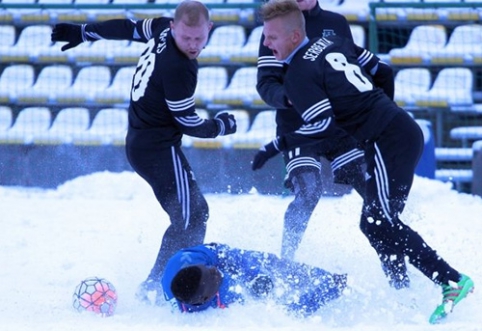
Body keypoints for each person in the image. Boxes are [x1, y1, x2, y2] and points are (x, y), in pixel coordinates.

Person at [251, 0, 474, 324]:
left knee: (378, 221)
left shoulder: (298, 73)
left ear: (294, 34)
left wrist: (274, 146)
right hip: (396, 132)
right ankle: (403, 290)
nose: (266, 44)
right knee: (377, 224)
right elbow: (382, 71)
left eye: (271, 37)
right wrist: (380, 109)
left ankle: (451, 281)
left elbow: (321, 125)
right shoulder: (333, 41)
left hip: (388, 141)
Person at [51, 0, 237, 305]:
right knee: (191, 219)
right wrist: (220, 126)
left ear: (210, 30)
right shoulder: (180, 68)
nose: (192, 45)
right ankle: (169, 291)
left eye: (199, 39)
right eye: (186, 38)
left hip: (144, 143)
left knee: (191, 215)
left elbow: (127, 27)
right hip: (157, 149)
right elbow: (187, 121)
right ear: (175, 27)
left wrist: (86, 33)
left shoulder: (163, 27)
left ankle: (159, 286)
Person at [256, 0, 401, 284]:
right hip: (298, 127)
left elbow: (356, 71)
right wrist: (289, 97)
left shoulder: (336, 23)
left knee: (372, 194)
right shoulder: (276, 27)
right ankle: (286, 265)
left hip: (339, 128)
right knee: (308, 191)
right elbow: (265, 83)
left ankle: (397, 271)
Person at [161, 242, 347, 315]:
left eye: (210, 269)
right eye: (212, 275)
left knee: (271, 263)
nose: (215, 271)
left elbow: (231, 255)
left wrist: (256, 275)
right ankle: (329, 289)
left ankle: (327, 278)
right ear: (206, 298)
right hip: (219, 295)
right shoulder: (229, 296)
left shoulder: (191, 260)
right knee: (282, 313)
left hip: (222, 257)